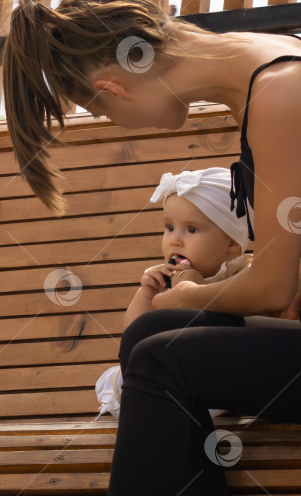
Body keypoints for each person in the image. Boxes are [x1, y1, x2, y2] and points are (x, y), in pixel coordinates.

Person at [1, 0, 301, 496]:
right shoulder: (270, 63)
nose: (116, 125)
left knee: (163, 359)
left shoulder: (275, 93)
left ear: (112, 89)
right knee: (152, 334)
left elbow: (271, 289)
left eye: (100, 113)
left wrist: (189, 293)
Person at [95, 167, 254, 421]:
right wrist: (146, 295)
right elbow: (133, 338)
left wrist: (195, 293)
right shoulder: (163, 280)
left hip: (215, 372)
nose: (175, 240)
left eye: (191, 230)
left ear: (232, 243)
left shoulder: (240, 277)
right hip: (166, 373)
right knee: (114, 377)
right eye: (169, 227)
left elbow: (225, 336)